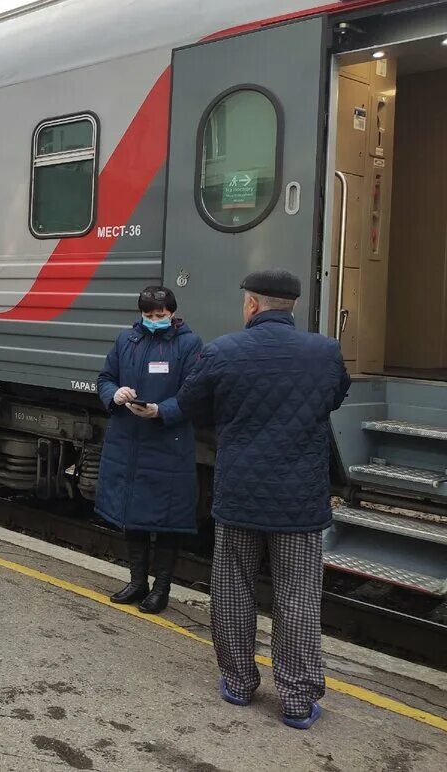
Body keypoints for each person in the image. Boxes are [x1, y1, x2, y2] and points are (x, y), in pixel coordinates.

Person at [173, 269, 350, 730]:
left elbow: (191, 406)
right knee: (298, 596)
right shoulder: (325, 352)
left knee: (233, 586)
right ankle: (296, 700)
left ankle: (237, 682)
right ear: (290, 306)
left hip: (239, 493)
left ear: (251, 305)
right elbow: (336, 397)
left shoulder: (223, 351)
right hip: (299, 500)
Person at [95, 285, 203, 614]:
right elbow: (105, 378)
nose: (154, 320)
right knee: (133, 515)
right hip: (129, 441)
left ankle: (162, 588)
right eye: (148, 315)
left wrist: (161, 411)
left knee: (168, 520)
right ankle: (137, 581)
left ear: (172, 314)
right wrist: (114, 395)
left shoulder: (189, 344)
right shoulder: (126, 340)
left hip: (167, 442)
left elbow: (194, 393)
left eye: (160, 316)